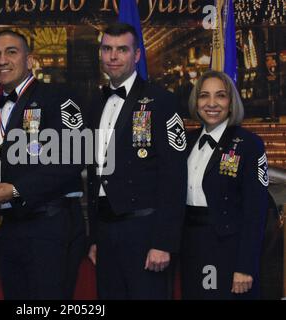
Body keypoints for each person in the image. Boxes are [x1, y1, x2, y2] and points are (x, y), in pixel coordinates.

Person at [0, 30, 86, 299]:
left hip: (50, 226)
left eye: (11, 52)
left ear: (30, 60)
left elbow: (73, 157)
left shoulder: (59, 97)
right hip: (10, 227)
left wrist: (15, 189)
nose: (2, 60)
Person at [86, 22, 187, 299]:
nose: (114, 56)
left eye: (122, 49)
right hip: (106, 230)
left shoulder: (161, 101)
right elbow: (96, 175)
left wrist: (163, 242)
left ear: (137, 55)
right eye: (107, 49)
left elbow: (174, 174)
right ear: (101, 53)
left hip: (145, 231)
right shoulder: (95, 103)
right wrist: (94, 236)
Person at [181, 70, 268, 299]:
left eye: (220, 96)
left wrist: (245, 266)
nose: (211, 103)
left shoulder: (249, 145)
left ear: (231, 103)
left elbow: (256, 212)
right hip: (190, 247)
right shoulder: (185, 142)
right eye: (204, 96)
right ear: (195, 102)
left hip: (227, 250)